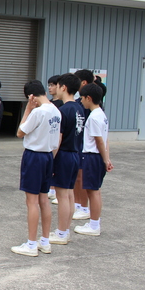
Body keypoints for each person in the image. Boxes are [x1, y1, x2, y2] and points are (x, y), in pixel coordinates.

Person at [11, 80, 61, 257]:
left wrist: (27, 109)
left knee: (31, 201)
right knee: (44, 200)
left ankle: (31, 244)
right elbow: (56, 141)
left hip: (34, 156)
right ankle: (45, 241)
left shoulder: (38, 112)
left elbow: (20, 132)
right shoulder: (56, 111)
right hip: (48, 156)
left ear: (31, 96)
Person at [49, 73, 85, 246]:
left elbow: (58, 138)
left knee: (63, 196)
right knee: (69, 194)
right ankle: (65, 230)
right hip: (75, 154)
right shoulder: (79, 108)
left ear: (63, 87)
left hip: (64, 155)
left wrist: (52, 159)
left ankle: (62, 233)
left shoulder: (63, 110)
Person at [74, 83, 113, 237]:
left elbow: (100, 141)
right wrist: (106, 158)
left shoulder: (94, 117)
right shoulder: (101, 115)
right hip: (97, 157)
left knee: (93, 192)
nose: (81, 101)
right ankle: (94, 222)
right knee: (95, 191)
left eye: (82, 98)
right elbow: (105, 139)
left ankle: (94, 224)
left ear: (89, 98)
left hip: (92, 156)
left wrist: (105, 160)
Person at [72, 69, 95, 219]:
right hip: (78, 144)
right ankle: (77, 204)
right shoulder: (79, 102)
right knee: (77, 176)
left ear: (84, 83)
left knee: (82, 177)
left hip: (85, 146)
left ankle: (84, 207)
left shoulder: (89, 104)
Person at [46, 74, 64, 203]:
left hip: (60, 138)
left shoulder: (62, 104)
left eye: (52, 85)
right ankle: (51, 189)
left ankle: (58, 192)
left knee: (59, 165)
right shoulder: (49, 103)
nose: (50, 88)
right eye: (49, 85)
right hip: (49, 137)